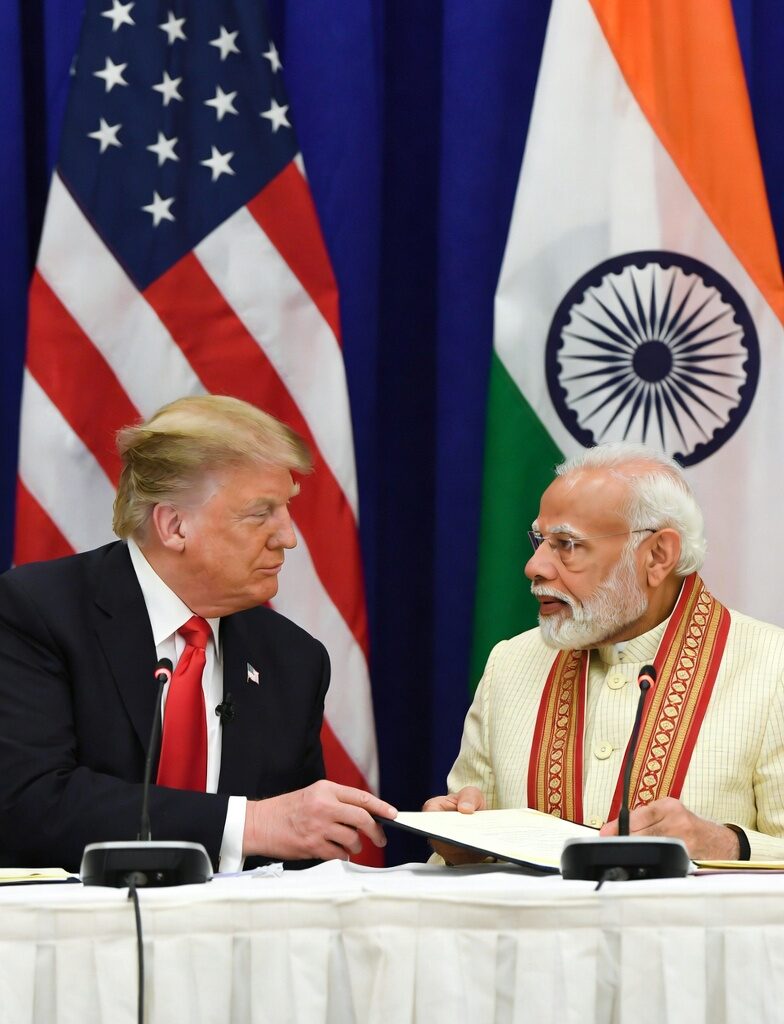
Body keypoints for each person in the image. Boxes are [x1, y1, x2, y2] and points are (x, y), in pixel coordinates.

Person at [0, 395, 395, 872]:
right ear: (174, 525)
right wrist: (249, 824)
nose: (288, 536)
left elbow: (301, 864)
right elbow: (30, 804)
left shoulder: (294, 660)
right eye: (260, 513)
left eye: (286, 507)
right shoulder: (37, 613)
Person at [426, 442, 784, 864]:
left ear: (657, 555)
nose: (535, 566)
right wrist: (458, 845)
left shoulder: (771, 667)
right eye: (540, 540)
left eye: (567, 544)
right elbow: (465, 853)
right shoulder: (510, 663)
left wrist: (730, 845)